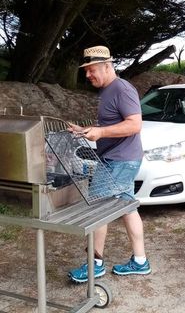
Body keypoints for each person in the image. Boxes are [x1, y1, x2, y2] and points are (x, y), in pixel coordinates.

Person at [67, 45, 151, 282]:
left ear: (107, 66)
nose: (87, 75)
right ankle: (140, 261)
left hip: (119, 161)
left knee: (96, 210)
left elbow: (134, 124)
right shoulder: (107, 90)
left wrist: (101, 133)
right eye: (86, 70)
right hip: (122, 159)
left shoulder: (121, 89)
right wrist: (85, 131)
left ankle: (95, 264)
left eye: (91, 69)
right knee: (128, 208)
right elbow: (111, 126)